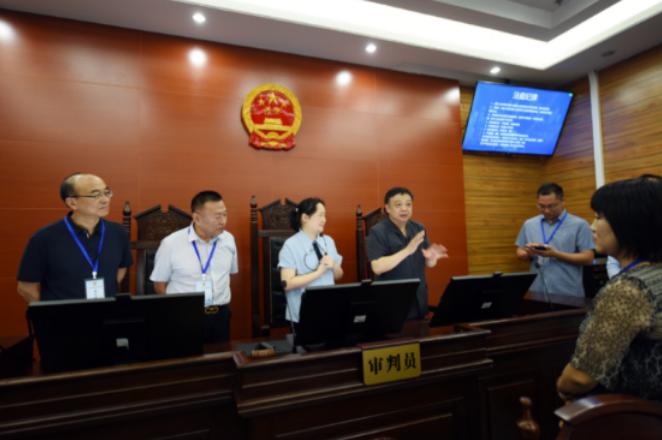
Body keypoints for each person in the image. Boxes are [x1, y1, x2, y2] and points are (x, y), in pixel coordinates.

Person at [557, 176, 662, 400]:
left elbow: (579, 378)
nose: (592, 227)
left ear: (629, 224)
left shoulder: (629, 289)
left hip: (636, 412)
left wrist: (562, 387)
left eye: (599, 217)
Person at [17, 173, 132, 302]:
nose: (105, 200)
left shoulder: (118, 233)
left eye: (106, 192)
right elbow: (26, 287)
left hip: (106, 312)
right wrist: (49, 311)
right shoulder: (44, 238)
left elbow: (121, 269)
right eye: (95, 195)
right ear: (72, 202)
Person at [150, 191, 238, 343]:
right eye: (217, 216)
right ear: (197, 218)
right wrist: (175, 310)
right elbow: (159, 284)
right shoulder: (171, 244)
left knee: (220, 356)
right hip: (184, 316)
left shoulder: (228, 240)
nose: (223, 221)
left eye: (225, 214)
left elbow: (229, 273)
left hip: (220, 315)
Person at [366, 187, 448, 319]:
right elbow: (377, 267)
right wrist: (407, 250)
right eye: (398, 205)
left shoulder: (419, 228)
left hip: (418, 299)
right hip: (392, 302)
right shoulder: (377, 232)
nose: (404, 208)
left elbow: (428, 263)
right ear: (387, 208)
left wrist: (432, 258)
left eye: (408, 204)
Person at [515, 182, 594, 297]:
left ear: (562, 202)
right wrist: (523, 254)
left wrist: (555, 254)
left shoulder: (580, 224)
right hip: (536, 290)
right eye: (541, 206)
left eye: (551, 206)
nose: (546, 210)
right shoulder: (529, 224)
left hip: (567, 292)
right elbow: (520, 249)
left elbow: (588, 258)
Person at [278, 198, 343, 330]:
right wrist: (318, 273)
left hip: (329, 310)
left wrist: (334, 265)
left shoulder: (328, 241)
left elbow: (339, 275)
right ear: (305, 218)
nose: (324, 220)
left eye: (325, 215)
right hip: (303, 314)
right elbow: (287, 283)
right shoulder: (290, 245)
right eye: (320, 215)